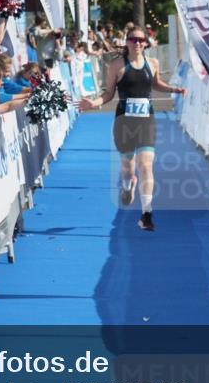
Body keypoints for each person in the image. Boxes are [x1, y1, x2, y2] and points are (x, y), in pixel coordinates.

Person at [78, 27, 186, 232]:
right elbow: (109, 94)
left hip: (146, 121)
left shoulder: (152, 63)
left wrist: (174, 89)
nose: (137, 43)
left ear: (146, 43)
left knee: (146, 165)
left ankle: (146, 214)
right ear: (127, 42)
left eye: (140, 40)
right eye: (133, 39)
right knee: (128, 167)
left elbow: (157, 84)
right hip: (124, 122)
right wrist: (93, 103)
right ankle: (128, 185)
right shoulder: (117, 65)